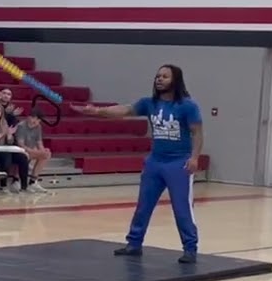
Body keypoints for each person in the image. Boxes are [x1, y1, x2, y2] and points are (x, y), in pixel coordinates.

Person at [74, 65, 202, 263]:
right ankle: (134, 244)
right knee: (144, 205)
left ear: (175, 80)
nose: (159, 79)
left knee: (182, 208)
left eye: (165, 77)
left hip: (178, 163)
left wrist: (194, 158)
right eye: (158, 76)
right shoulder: (148, 103)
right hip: (155, 162)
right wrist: (97, 111)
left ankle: (190, 249)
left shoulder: (188, 106)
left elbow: (197, 133)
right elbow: (124, 110)